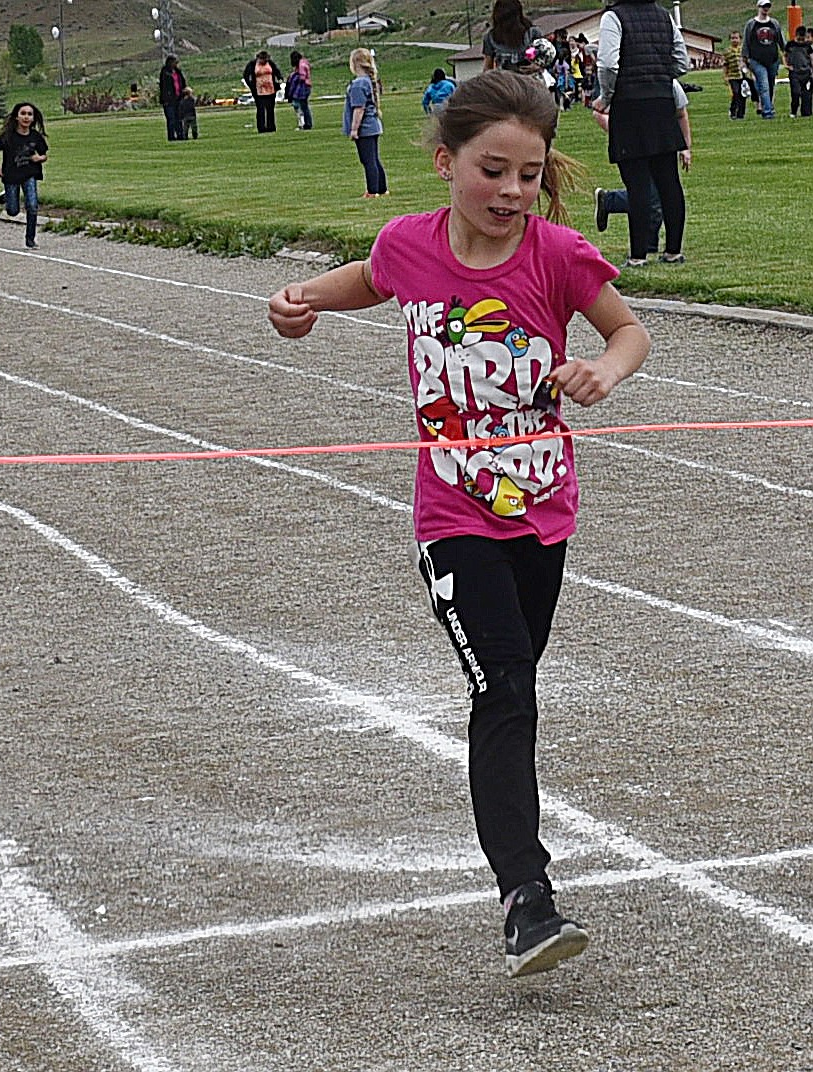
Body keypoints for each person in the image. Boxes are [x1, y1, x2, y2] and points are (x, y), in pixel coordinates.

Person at [268, 70, 651, 979]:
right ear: (446, 163)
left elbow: (629, 331)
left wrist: (604, 368)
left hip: (544, 512)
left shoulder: (556, 253)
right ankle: (527, 898)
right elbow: (369, 277)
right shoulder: (410, 245)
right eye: (493, 172)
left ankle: (522, 883)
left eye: (528, 175)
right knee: (506, 685)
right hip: (453, 515)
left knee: (516, 681)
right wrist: (302, 302)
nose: (512, 193)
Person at [593, 0, 688, 267]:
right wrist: (660, 75)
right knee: (669, 180)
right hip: (661, 101)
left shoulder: (614, 17)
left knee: (637, 184)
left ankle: (638, 255)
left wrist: (606, 96)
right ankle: (673, 250)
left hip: (629, 104)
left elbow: (609, 63)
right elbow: (681, 61)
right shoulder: (664, 16)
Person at [593, 80, 692, 256]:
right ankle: (646, 244)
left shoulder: (669, 83)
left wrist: (685, 147)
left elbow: (681, 114)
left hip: (660, 145)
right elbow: (599, 111)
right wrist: (622, 134)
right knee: (649, 195)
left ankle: (610, 201)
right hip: (635, 146)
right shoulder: (624, 81)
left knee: (658, 195)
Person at [0, 101, 49, 249]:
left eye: (29, 114)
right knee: (13, 211)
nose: (26, 117)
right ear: (16, 117)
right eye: (23, 114)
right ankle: (6, 197)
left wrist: (39, 158)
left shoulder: (36, 137)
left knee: (32, 205)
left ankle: (30, 239)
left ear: (33, 118)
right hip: (11, 175)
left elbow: (44, 155)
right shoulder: (7, 136)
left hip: (30, 173)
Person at [345, 47, 387, 198]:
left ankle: (372, 190)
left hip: (366, 128)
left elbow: (359, 109)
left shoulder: (358, 84)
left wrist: (354, 129)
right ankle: (382, 188)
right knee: (374, 158)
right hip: (374, 126)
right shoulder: (368, 81)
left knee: (367, 160)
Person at [743, 0, 786, 119]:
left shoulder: (774, 23)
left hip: (772, 59)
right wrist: (745, 58)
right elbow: (746, 42)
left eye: (767, 6)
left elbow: (781, 41)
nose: (765, 8)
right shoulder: (751, 24)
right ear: (758, 7)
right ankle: (768, 112)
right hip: (756, 60)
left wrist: (786, 51)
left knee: (770, 85)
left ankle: (768, 105)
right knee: (764, 85)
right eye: (763, 6)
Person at [482, 0, 544, 73]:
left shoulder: (533, 33)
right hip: (504, 81)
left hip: (530, 79)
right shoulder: (490, 38)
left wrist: (537, 66)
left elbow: (546, 55)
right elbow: (488, 67)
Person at [243, 50, 283, 133]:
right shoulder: (252, 64)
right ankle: (261, 128)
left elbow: (276, 71)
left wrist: (279, 78)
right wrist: (251, 86)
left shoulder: (270, 63)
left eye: (266, 59)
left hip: (271, 89)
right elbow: (246, 75)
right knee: (260, 109)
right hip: (258, 91)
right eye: (263, 59)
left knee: (270, 109)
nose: (264, 61)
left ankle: (271, 127)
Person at [784, 26, 813, 117]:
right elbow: (785, 55)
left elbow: (811, 58)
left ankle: (806, 111)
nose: (801, 41)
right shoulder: (790, 45)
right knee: (795, 92)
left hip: (806, 73)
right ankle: (793, 111)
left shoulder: (807, 46)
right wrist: (786, 65)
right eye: (799, 39)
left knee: (806, 94)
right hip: (795, 73)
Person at [158, 55, 186, 141]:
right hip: (169, 100)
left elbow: (183, 82)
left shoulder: (178, 72)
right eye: (174, 62)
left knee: (179, 118)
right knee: (171, 119)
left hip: (178, 98)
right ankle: (171, 136)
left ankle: (180, 135)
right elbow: (164, 86)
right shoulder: (165, 72)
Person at [725, 31, 751, 118]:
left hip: (743, 76)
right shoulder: (728, 51)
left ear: (740, 39)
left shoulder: (743, 50)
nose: (734, 40)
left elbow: (748, 62)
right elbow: (725, 65)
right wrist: (725, 76)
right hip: (733, 76)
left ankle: (741, 113)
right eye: (732, 38)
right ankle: (733, 111)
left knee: (743, 94)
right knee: (735, 93)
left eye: (736, 38)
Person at [286, 50, 313, 130]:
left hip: (303, 87)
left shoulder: (301, 65)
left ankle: (306, 124)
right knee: (305, 106)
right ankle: (307, 123)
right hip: (307, 85)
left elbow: (302, 77)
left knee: (302, 106)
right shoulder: (305, 62)